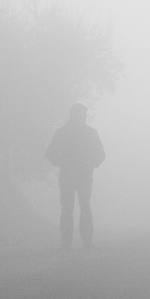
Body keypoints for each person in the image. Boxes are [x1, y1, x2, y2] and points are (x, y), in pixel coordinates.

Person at [45, 103, 105, 249]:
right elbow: (100, 155)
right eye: (82, 115)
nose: (84, 118)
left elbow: (101, 155)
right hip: (76, 176)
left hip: (73, 175)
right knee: (76, 207)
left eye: (84, 116)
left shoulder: (63, 132)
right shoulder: (88, 132)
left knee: (73, 208)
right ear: (74, 115)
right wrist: (90, 165)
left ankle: (71, 242)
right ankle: (81, 241)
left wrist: (62, 163)